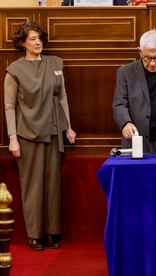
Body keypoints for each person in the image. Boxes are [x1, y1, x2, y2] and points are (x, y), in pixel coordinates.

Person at [4, 21, 76, 250]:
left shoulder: (54, 63)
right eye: (33, 39)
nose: (38, 42)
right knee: (33, 186)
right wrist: (12, 138)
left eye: (39, 38)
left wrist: (68, 127)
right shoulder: (14, 70)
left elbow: (62, 96)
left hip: (53, 131)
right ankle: (35, 234)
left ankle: (53, 232)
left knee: (52, 185)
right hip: (27, 134)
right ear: (23, 43)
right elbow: (9, 105)